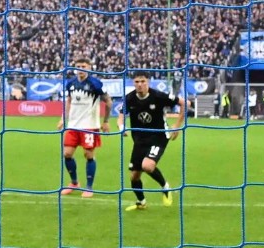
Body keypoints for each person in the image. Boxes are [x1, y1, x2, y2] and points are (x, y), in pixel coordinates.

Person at [117, 72, 182, 211]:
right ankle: (141, 202)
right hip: (140, 140)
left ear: (148, 82)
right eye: (137, 82)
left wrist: (177, 125)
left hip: (159, 137)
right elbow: (121, 116)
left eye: (143, 81)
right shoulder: (129, 98)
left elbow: (184, 103)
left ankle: (166, 187)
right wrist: (122, 127)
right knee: (134, 176)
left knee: (147, 166)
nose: (140, 84)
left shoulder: (158, 96)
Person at [57, 59, 112, 197]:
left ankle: (89, 187)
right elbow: (69, 101)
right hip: (73, 126)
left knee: (88, 155)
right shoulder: (71, 83)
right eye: (78, 66)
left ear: (89, 68)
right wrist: (63, 118)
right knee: (67, 154)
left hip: (89, 126)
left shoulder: (95, 83)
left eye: (84, 66)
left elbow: (109, 101)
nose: (81, 69)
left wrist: (105, 121)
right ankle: (74, 183)